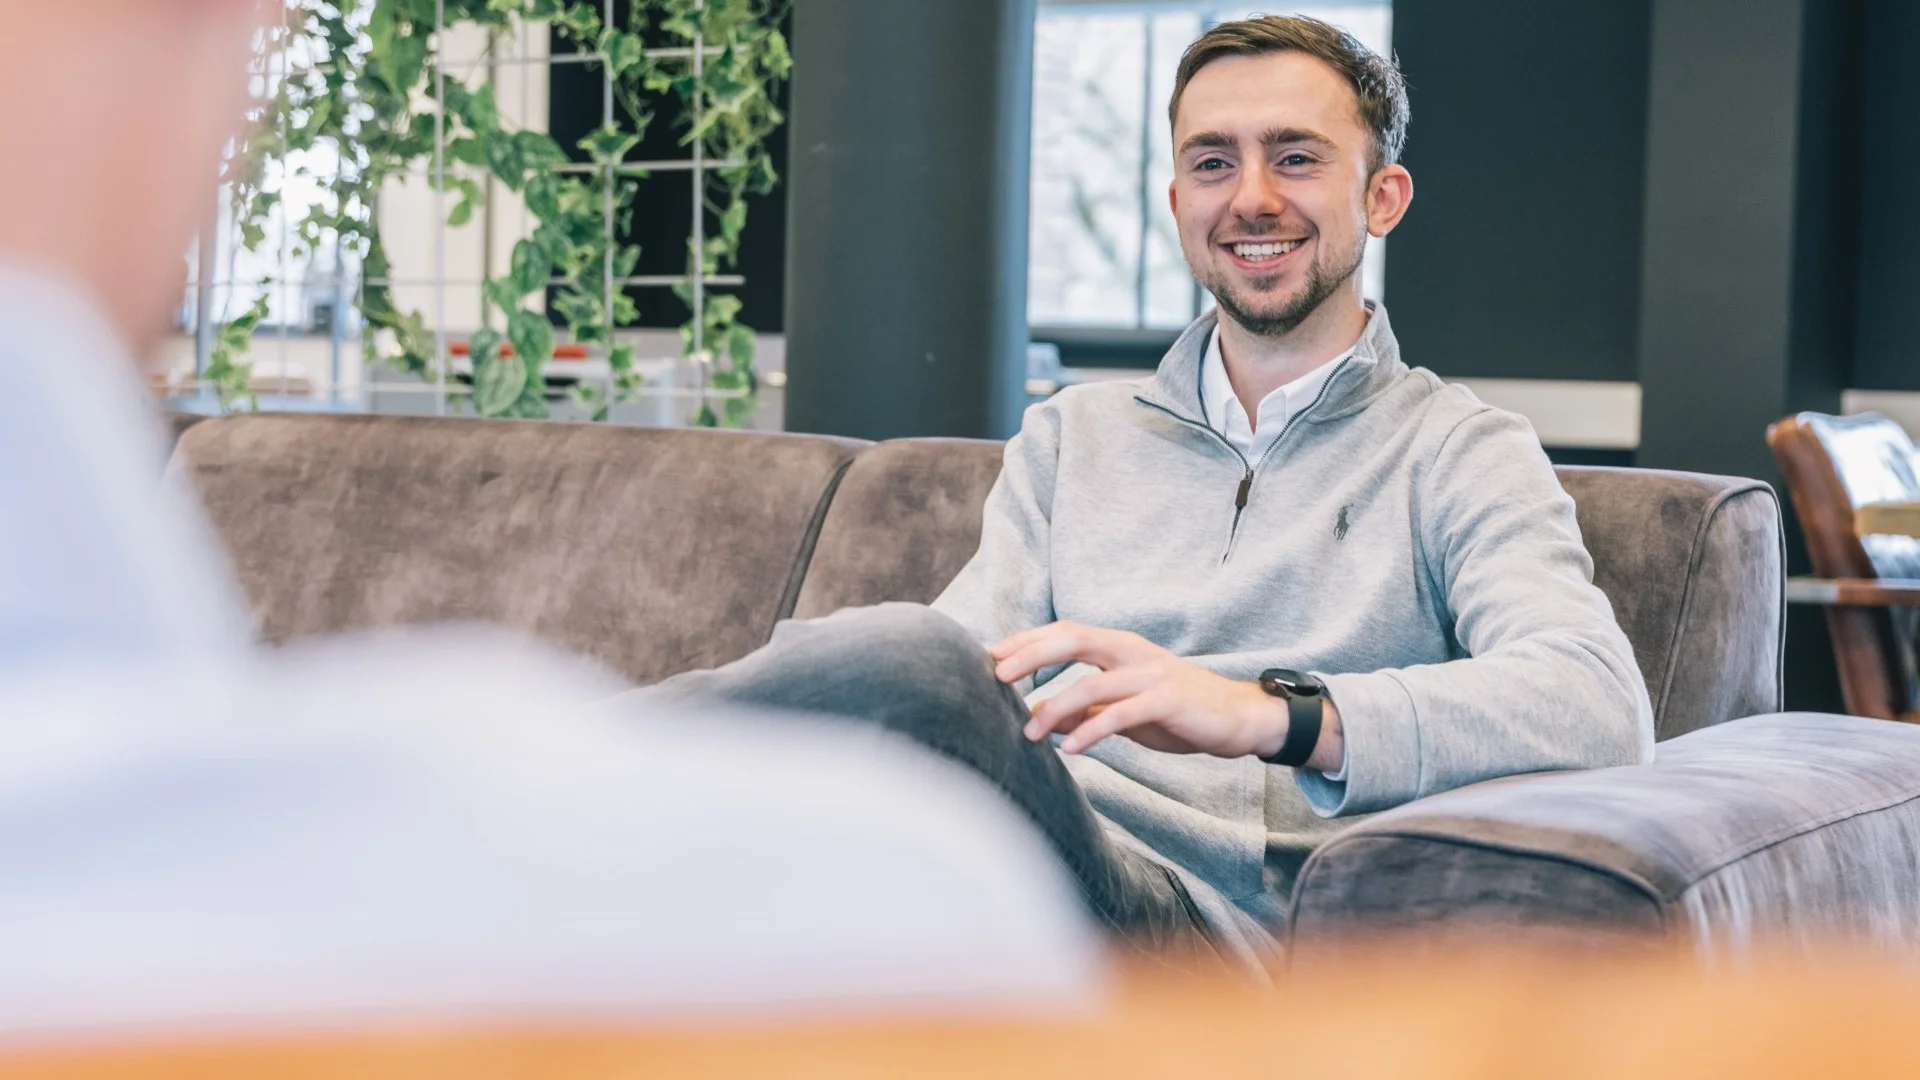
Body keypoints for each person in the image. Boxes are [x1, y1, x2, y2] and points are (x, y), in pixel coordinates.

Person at [0, 1, 1101, 1032]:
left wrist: (1225, 700)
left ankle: (611, 746)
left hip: (1174, 892)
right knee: (922, 660)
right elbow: (985, 655)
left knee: (914, 661)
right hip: (1045, 803)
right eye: (1192, 161)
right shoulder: (905, 902)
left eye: (1282, 155)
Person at [635, 15, 1655, 965]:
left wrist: (1268, 714)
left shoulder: (1459, 449)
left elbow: (1596, 700)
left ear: (1381, 197)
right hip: (1020, 855)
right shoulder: (1073, 435)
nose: (1251, 197)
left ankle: (571, 763)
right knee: (889, 706)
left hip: (1203, 925)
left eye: (1296, 157)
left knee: (910, 667)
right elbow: (963, 671)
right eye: (1213, 162)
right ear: (1178, 205)